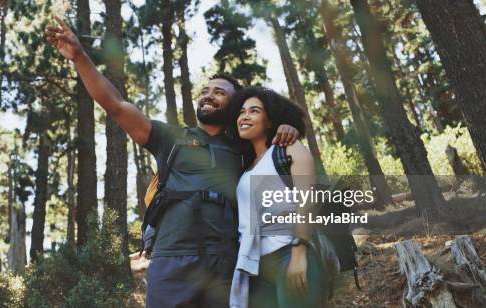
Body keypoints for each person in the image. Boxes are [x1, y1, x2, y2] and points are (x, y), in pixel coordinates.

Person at [45, 17, 301, 307]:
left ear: (235, 104)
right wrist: (79, 57)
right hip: (171, 258)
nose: (208, 95)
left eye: (219, 92)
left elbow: (279, 158)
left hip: (225, 262)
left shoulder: (244, 147)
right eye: (205, 90)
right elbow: (115, 104)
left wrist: (287, 128)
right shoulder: (171, 137)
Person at [226, 87, 328, 307]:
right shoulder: (245, 167)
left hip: (289, 255)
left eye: (254, 111)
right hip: (255, 267)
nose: (245, 116)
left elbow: (308, 201)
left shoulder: (287, 149)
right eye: (242, 111)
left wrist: (299, 251)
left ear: (270, 121)